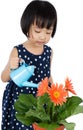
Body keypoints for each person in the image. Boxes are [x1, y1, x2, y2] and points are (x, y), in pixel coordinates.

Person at [1, 0, 57, 129]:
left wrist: (55, 91)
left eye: (48, 32)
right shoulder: (18, 50)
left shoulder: (49, 51)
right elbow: (4, 78)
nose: (43, 36)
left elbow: (48, 75)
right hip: (20, 100)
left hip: (41, 98)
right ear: (27, 26)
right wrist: (11, 66)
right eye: (37, 31)